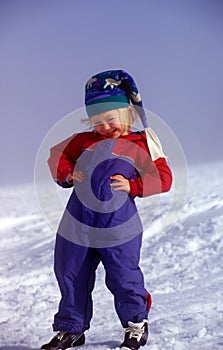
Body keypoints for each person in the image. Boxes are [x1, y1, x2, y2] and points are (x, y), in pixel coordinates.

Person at [41, 69, 172, 350]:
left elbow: (164, 177)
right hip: (77, 221)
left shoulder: (141, 143)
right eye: (97, 121)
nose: (104, 126)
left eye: (110, 119)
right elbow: (56, 155)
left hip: (118, 224)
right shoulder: (82, 141)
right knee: (70, 272)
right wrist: (67, 172)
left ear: (127, 113)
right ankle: (70, 328)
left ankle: (135, 325)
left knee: (124, 275)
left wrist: (134, 184)